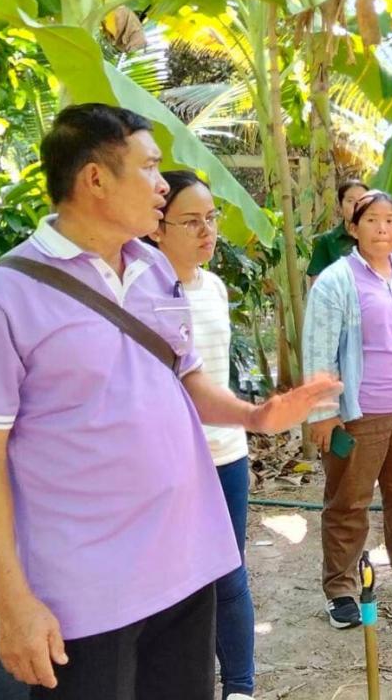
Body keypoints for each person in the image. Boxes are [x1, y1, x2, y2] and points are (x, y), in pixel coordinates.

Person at [0, 104, 339, 699]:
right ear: (95, 179)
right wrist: (13, 602)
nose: (162, 185)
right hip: (85, 592)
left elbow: (184, 377)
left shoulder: (153, 267)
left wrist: (255, 416)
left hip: (185, 564)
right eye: (150, 167)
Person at [303, 190, 392, 630]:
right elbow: (319, 349)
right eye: (371, 220)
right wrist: (323, 411)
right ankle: (341, 589)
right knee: (349, 500)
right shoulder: (336, 280)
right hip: (360, 413)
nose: (382, 228)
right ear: (353, 228)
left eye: (390, 220)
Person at [149, 170, 256, 700]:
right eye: (190, 221)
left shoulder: (212, 287)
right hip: (167, 461)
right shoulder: (139, 293)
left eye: (211, 218)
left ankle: (240, 686)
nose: (207, 231)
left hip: (226, 452)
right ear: (156, 228)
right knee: (173, 583)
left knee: (229, 574)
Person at [308, 179, 369, 286]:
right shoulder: (326, 241)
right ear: (340, 207)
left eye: (361, 200)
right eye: (350, 201)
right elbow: (317, 286)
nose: (356, 206)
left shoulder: (380, 237)